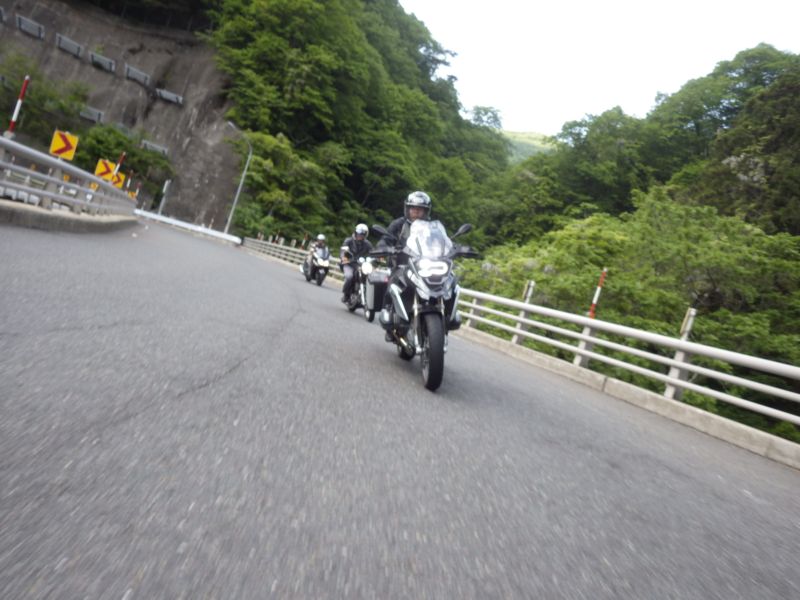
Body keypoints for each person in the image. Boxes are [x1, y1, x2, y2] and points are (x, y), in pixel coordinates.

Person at [378, 191, 433, 340]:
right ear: (407, 209)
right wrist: (384, 246)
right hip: (401, 264)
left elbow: (442, 241)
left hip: (424, 267)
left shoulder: (431, 227)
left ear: (426, 211)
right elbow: (386, 238)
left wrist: (453, 248)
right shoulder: (399, 224)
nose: (416, 211)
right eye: (413, 208)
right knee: (391, 286)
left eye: (420, 209)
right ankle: (388, 313)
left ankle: (440, 316)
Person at [339, 223, 373, 302]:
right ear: (355, 232)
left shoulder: (368, 244)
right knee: (349, 276)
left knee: (369, 276)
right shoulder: (349, 241)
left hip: (360, 265)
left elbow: (372, 253)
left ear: (365, 235)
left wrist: (377, 257)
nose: (360, 236)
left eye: (362, 234)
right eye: (358, 234)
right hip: (349, 264)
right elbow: (343, 250)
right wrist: (344, 257)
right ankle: (346, 295)